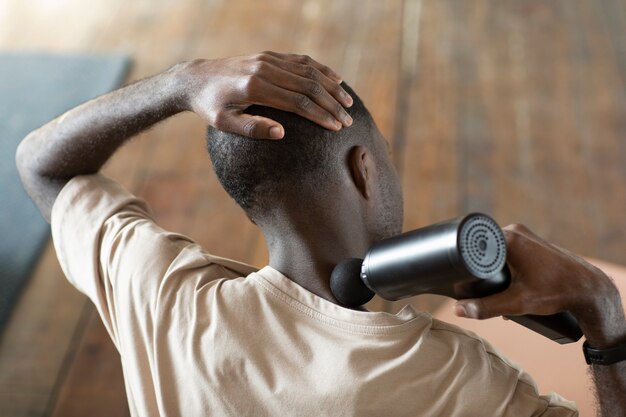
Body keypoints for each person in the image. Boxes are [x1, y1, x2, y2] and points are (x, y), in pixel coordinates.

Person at [16, 51, 626, 417]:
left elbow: (39, 163)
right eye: (384, 156)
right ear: (363, 169)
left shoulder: (161, 296)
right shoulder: (449, 379)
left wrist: (180, 83)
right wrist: (603, 320)